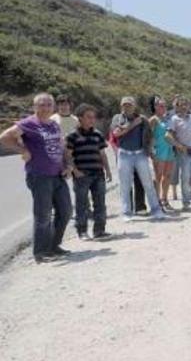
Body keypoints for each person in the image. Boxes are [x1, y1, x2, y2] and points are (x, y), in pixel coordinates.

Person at [0, 93, 72, 262]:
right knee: (43, 215)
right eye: (41, 104)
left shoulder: (54, 124)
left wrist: (68, 164)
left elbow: (61, 146)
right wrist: (23, 150)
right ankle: (41, 252)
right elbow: (4, 137)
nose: (45, 107)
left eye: (48, 104)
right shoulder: (28, 123)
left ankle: (53, 246)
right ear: (35, 107)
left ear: (53, 107)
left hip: (58, 175)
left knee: (66, 211)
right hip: (40, 176)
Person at [110, 96, 167, 222]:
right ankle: (126, 212)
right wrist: (132, 124)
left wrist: (150, 150)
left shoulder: (143, 119)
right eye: (124, 105)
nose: (127, 107)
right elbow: (116, 133)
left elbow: (150, 136)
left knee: (148, 182)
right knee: (125, 185)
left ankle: (156, 210)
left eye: (129, 105)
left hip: (140, 154)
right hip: (124, 154)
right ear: (121, 106)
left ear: (134, 106)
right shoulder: (117, 118)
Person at [66, 103, 112, 240]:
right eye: (88, 117)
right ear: (80, 118)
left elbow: (102, 154)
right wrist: (75, 170)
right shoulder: (72, 136)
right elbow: (67, 155)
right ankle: (82, 231)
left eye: (93, 117)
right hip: (82, 175)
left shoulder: (98, 134)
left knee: (100, 203)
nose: (92, 120)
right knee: (82, 204)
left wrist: (108, 171)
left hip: (98, 174)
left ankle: (99, 231)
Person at [148, 95, 175, 211]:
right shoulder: (153, 119)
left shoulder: (167, 119)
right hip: (159, 150)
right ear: (155, 107)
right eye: (160, 106)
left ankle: (165, 199)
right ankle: (157, 201)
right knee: (158, 177)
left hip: (169, 149)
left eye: (165, 106)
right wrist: (151, 150)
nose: (163, 108)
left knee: (167, 176)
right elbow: (148, 136)